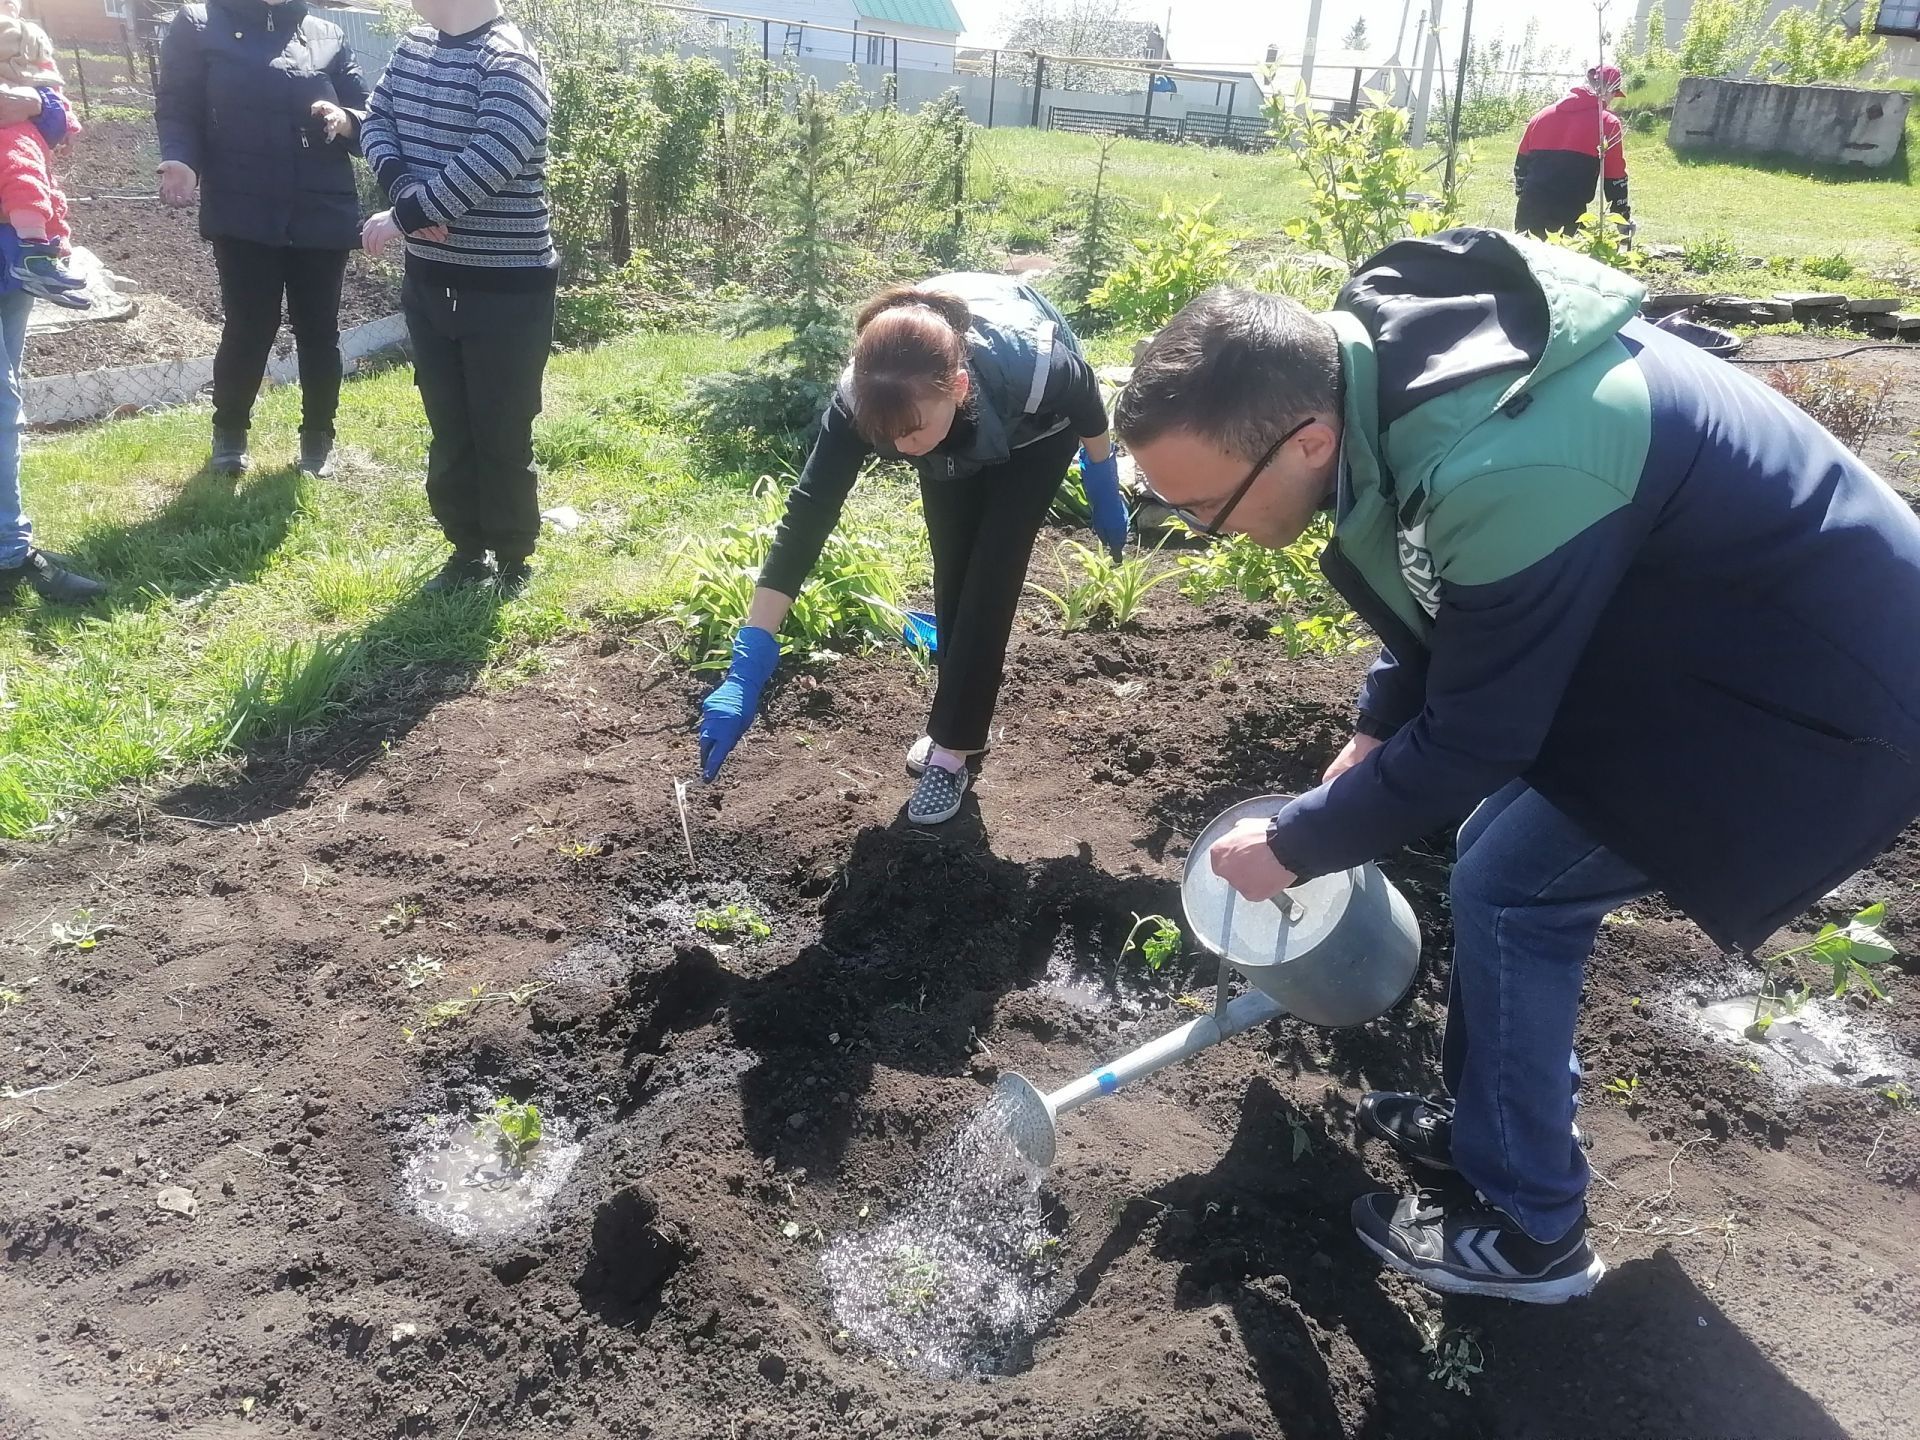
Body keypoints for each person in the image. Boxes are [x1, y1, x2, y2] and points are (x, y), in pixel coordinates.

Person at [1115, 228, 1920, 1304]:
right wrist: (1374, 727)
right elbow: (1441, 589)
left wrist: (1302, 844)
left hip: (1816, 690)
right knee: (1499, 845)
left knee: (1512, 892)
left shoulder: (1511, 458)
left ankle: (1535, 1231)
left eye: (1207, 505)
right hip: (1706, 638)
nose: (1202, 529)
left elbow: (1483, 733)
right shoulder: (1378, 372)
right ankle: (1491, 1127)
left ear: (1305, 440)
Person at [697, 274, 1126, 826]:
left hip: (1038, 434)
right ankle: (961, 724)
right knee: (953, 567)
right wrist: (749, 661)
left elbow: (1087, 399)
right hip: (949, 417)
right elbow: (807, 515)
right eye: (888, 435)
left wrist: (1101, 477)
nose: (901, 448)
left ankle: (950, 754)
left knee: (989, 579)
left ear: (960, 388)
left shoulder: (1033, 367)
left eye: (911, 432)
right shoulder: (874, 398)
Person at [358, 0, 555, 599]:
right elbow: (374, 122)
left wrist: (407, 216)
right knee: (449, 425)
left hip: (506, 288)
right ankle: (465, 550)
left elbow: (496, 154)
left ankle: (514, 556)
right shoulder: (412, 48)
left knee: (501, 428)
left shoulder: (508, 62)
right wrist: (407, 194)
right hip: (430, 281)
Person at [155, 0, 371, 479]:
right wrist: (182, 159)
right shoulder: (201, 24)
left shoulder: (327, 33)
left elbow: (368, 115)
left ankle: (318, 440)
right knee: (250, 325)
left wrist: (346, 118)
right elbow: (177, 105)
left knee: (319, 331)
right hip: (242, 204)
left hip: (320, 205)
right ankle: (230, 435)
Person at [0, 79, 101, 605]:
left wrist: (38, 100)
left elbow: (58, 121)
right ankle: (9, 553)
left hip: (8, 263)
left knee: (4, 400)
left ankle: (8, 549)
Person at [0, 7, 88, 308]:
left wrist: (43, 106)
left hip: (11, 235)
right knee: (20, 166)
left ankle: (44, 256)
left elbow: (49, 90)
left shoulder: (27, 36)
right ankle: (36, 252)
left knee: (35, 179)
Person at [1513, 64, 1630, 239]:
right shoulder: (1607, 123)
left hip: (1529, 210)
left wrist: (1522, 192)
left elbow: (1521, 165)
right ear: (1609, 91)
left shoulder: (1542, 115)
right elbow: (1615, 178)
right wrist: (1622, 217)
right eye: (1614, 94)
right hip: (1569, 213)